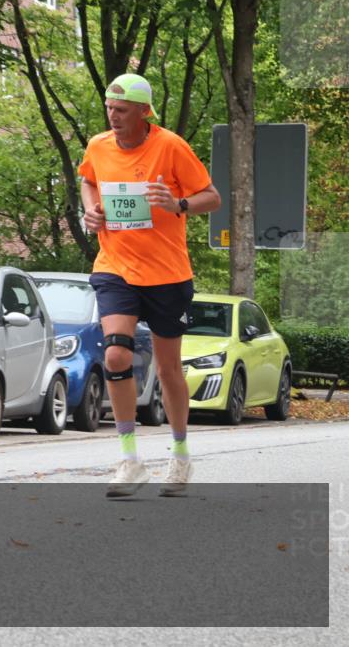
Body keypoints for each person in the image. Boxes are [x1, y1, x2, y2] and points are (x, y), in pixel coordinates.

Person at [79, 73, 221, 498]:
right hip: (116, 265)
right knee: (117, 353)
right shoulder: (98, 146)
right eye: (109, 108)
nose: (113, 116)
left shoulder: (171, 146)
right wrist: (92, 212)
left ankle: (179, 455)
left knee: (169, 369)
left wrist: (177, 203)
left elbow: (211, 197)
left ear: (144, 112)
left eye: (121, 110)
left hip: (167, 274)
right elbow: (88, 180)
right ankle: (129, 459)